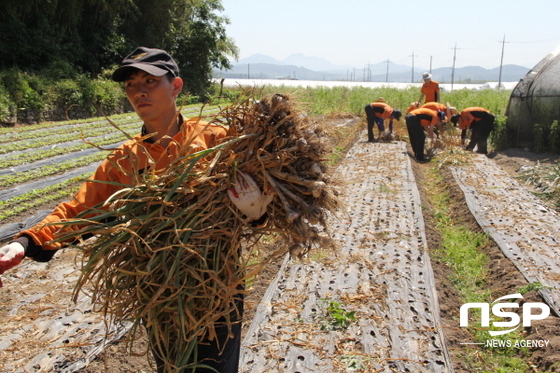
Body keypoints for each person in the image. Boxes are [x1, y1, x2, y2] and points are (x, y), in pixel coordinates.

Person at [0, 46, 271, 373]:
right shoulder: (124, 161)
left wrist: (258, 213)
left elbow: (271, 190)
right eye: (130, 84)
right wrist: (23, 243)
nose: (139, 91)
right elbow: (78, 210)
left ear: (176, 86)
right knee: (170, 367)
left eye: (150, 81)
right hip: (158, 292)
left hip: (217, 286)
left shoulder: (216, 140)